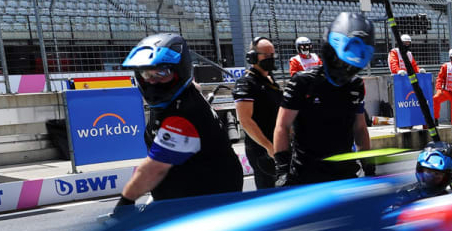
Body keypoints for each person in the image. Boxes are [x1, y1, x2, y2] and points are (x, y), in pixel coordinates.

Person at [112, 33, 243, 215]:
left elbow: (154, 169)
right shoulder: (185, 94)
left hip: (204, 206)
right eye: (146, 73)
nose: (152, 81)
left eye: (161, 73)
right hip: (190, 200)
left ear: (179, 71)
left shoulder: (183, 114)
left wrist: (124, 204)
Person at [273, 12, 376, 186]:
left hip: (345, 173)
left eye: (352, 67)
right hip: (306, 174)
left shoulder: (356, 85)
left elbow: (360, 127)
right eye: (342, 63)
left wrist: (369, 166)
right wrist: (282, 171)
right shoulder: (302, 82)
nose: (346, 70)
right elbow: (282, 126)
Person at [233, 36, 283, 189]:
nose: (271, 59)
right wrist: (269, 147)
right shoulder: (246, 83)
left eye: (272, 55)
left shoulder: (270, 80)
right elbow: (245, 121)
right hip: (263, 150)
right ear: (253, 57)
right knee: (269, 191)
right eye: (266, 55)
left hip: (279, 146)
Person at [395, 141, 452, 205]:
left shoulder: (449, 201)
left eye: (437, 174)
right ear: (421, 170)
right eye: (428, 172)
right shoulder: (404, 194)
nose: (431, 177)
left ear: (446, 177)